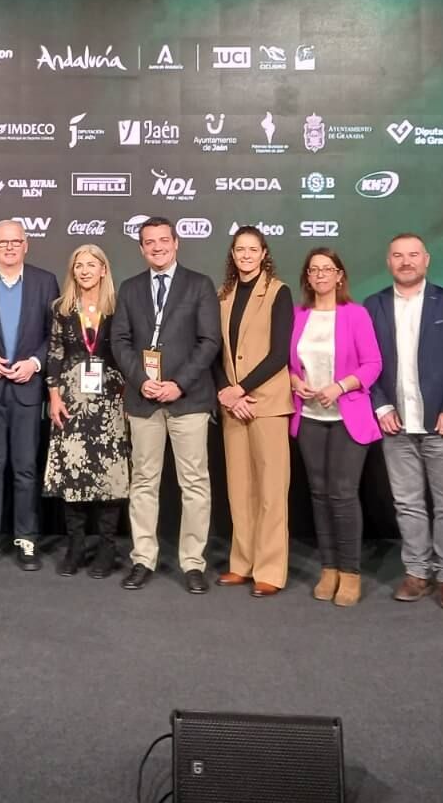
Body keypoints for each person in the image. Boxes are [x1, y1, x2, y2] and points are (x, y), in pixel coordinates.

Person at [110, 217, 220, 594]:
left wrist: (178, 384)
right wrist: (142, 380)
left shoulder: (199, 285)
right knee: (144, 481)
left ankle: (193, 562)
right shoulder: (130, 288)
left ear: (176, 243)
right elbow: (120, 341)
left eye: (163, 240)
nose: (157, 247)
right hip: (143, 401)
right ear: (141, 248)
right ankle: (143, 558)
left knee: (195, 483)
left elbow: (209, 341)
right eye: (149, 242)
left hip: (188, 399)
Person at [364, 233, 443, 612]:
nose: (405, 261)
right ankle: (417, 572)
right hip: (395, 422)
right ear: (388, 261)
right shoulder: (373, 305)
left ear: (426, 260)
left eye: (412, 255)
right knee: (407, 503)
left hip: (441, 421)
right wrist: (381, 407)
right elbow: (368, 362)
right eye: (398, 255)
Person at [0, 220, 60, 571]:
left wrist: (35, 363)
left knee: (25, 468)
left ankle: (26, 538)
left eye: (16, 241)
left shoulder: (45, 281)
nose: (9, 247)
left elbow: (54, 335)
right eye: (3, 242)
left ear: (26, 244)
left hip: (27, 390)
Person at [288, 247, 382, 606]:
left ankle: (350, 572)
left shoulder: (355, 314)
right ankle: (328, 568)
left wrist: (339, 387)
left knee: (342, 494)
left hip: (348, 417)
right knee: (319, 494)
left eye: (327, 269)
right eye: (314, 270)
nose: (320, 275)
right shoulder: (298, 316)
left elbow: (372, 364)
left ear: (340, 275)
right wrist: (296, 382)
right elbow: (287, 364)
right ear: (307, 277)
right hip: (310, 417)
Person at [214, 226, 295, 597]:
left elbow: (279, 353)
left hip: (266, 404)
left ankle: (270, 569)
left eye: (252, 249)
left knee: (271, 491)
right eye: (240, 249)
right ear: (232, 255)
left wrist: (241, 389)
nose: (246, 255)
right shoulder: (224, 295)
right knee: (239, 489)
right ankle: (241, 563)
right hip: (233, 406)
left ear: (264, 254)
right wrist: (227, 393)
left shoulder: (278, 292)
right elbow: (215, 352)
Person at [44, 243, 130, 578]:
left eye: (91, 265)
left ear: (103, 270)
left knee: (109, 474)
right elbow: (55, 353)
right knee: (74, 473)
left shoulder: (119, 306)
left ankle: (107, 547)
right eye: (79, 265)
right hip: (72, 401)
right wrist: (54, 395)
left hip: (111, 401)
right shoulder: (62, 308)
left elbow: (128, 351)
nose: (84, 271)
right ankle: (76, 545)